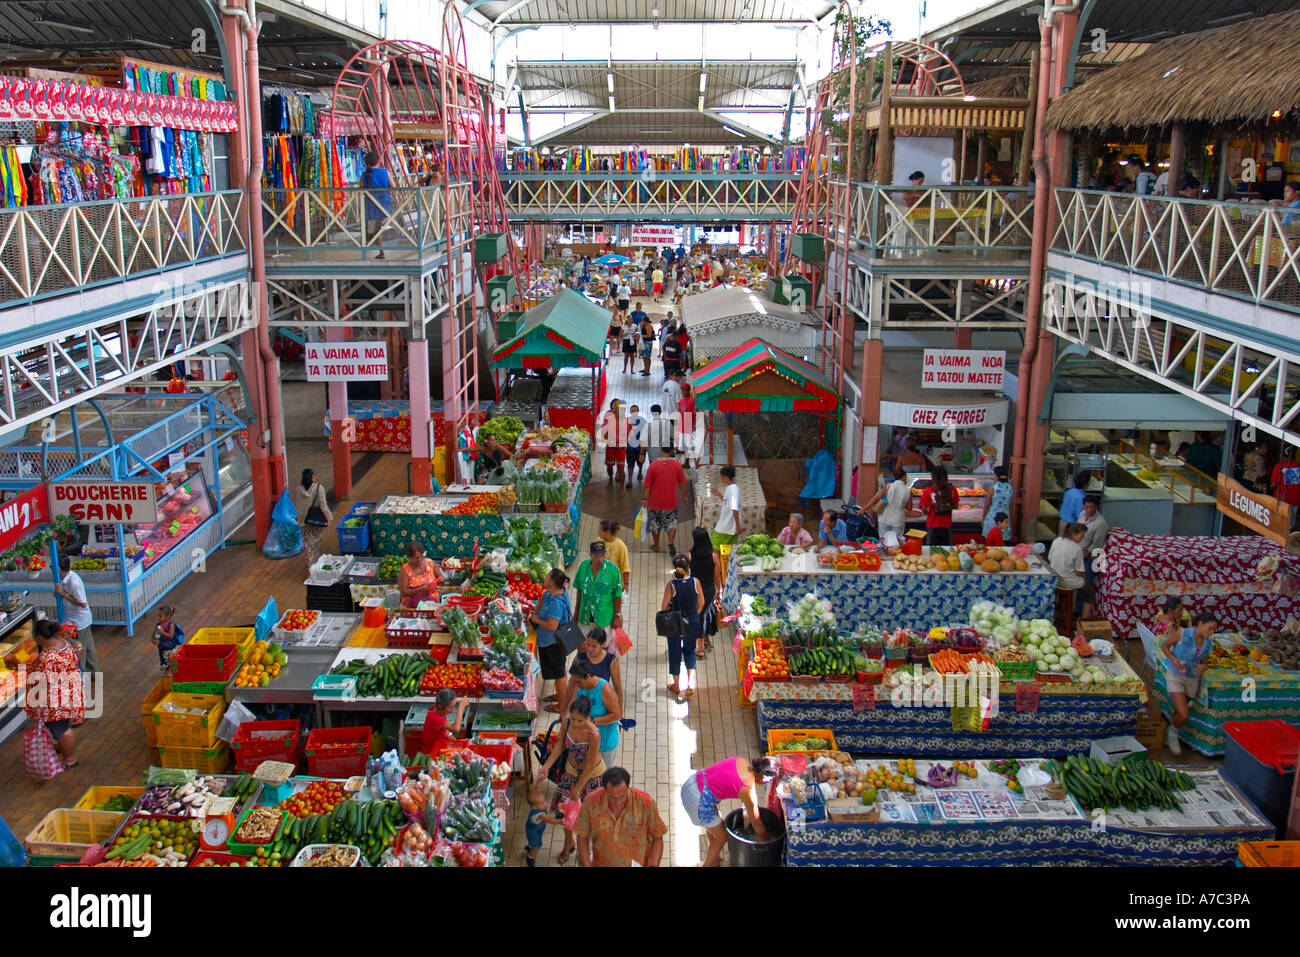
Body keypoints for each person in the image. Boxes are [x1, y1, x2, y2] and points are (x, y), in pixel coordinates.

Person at [536, 697, 605, 865]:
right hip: (570, 773)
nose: (575, 724)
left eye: (579, 720)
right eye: (573, 719)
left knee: (587, 818)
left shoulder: (594, 734)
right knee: (565, 812)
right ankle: (569, 843)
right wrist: (546, 766)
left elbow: (589, 765)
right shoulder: (567, 722)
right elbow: (560, 745)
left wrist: (578, 788)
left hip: (590, 778)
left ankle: (586, 850)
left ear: (588, 717)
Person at [681, 756, 778, 867]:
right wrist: (768, 842)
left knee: (716, 824)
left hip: (694, 781)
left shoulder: (742, 761)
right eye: (769, 780)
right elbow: (757, 824)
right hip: (698, 799)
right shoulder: (747, 790)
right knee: (722, 836)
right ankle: (707, 864)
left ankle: (715, 858)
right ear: (763, 776)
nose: (768, 782)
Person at [574, 767, 667, 867]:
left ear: (628, 788)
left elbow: (657, 837)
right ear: (604, 790)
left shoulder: (645, 803)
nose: (618, 802)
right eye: (613, 798)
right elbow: (582, 835)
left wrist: (652, 865)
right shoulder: (591, 802)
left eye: (622, 796)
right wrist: (586, 863)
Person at [23, 620, 85, 769]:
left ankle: (69, 759)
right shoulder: (64, 643)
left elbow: (43, 684)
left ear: (39, 638)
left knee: (62, 729)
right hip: (70, 691)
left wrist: (39, 705)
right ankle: (62, 746)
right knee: (63, 725)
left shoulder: (47, 657)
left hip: (56, 700)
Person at [1161, 612, 1220, 754]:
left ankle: (1170, 729)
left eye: (1214, 630)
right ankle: (1172, 733)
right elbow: (1165, 646)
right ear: (1200, 624)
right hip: (1175, 675)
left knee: (1181, 708)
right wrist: (1174, 660)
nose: (1211, 632)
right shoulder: (1182, 634)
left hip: (1192, 679)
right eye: (1209, 628)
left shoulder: (1207, 642)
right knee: (1184, 713)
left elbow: (1204, 661)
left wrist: (1202, 667)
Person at [662, 553, 705, 702]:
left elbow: (664, 607)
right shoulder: (695, 582)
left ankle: (676, 684)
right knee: (689, 650)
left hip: (675, 623)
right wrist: (694, 614)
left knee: (674, 651)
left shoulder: (671, 585)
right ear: (688, 568)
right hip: (692, 621)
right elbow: (701, 602)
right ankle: (690, 683)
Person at [530, 568, 574, 711]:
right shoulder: (550, 593)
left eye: (547, 576)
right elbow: (540, 604)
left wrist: (536, 619)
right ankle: (561, 694)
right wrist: (535, 613)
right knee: (559, 669)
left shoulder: (557, 602)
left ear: (553, 582)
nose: (545, 576)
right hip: (550, 641)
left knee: (559, 672)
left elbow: (551, 625)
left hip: (554, 643)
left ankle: (562, 705)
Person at [569, 659, 622, 767]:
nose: (577, 685)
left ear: (588, 676)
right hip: (585, 743)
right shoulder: (579, 688)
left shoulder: (605, 689)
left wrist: (593, 721)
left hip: (604, 743)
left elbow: (616, 715)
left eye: (579, 682)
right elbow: (571, 707)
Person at [573, 541, 624, 638]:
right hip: (585, 616)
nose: (599, 559)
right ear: (590, 555)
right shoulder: (583, 567)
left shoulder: (613, 570)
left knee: (603, 649)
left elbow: (617, 595)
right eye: (596, 556)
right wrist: (576, 612)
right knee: (583, 647)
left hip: (604, 618)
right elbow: (579, 590)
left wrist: (617, 616)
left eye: (602, 555)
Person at [55, 551, 95, 674]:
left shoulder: (73, 582)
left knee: (81, 648)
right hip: (74, 618)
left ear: (60, 569)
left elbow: (82, 603)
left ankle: (84, 673)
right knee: (87, 647)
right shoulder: (64, 580)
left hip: (80, 620)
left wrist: (64, 594)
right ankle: (92, 672)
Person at [643, 445, 688, 554]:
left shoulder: (653, 466)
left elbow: (647, 485)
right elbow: (682, 482)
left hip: (655, 502)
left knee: (655, 525)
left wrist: (644, 498)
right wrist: (684, 495)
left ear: (661, 450)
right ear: (672, 451)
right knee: (671, 523)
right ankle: (671, 541)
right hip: (671, 502)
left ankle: (656, 546)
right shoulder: (677, 465)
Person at [688, 526, 723, 653]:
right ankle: (707, 640)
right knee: (707, 614)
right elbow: (716, 577)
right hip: (708, 590)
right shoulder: (714, 557)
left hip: (695, 590)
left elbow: (685, 575)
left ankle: (700, 647)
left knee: (699, 616)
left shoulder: (689, 556)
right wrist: (719, 591)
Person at [863, 466, 912, 547]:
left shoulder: (888, 486)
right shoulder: (907, 491)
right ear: (904, 477)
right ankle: (895, 558)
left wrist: (863, 509)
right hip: (898, 520)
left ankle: (882, 557)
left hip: (884, 518)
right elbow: (909, 509)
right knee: (897, 543)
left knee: (883, 541)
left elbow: (875, 499)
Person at [1049, 522, 1088, 612]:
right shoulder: (1077, 549)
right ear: (1073, 534)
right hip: (1067, 582)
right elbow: (1080, 571)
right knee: (1090, 593)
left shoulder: (1057, 541)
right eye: (1081, 535)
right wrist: (1084, 579)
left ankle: (1062, 609)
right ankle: (1083, 618)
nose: (1083, 538)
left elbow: (1050, 558)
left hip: (1055, 578)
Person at [523, 781, 564, 866]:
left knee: (532, 841)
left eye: (545, 801)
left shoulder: (537, 807)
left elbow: (538, 789)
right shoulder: (540, 815)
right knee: (537, 845)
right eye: (542, 803)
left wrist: (539, 781)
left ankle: (530, 846)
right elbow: (550, 820)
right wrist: (560, 821)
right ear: (534, 807)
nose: (545, 804)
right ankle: (530, 856)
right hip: (534, 832)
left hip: (531, 828)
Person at [299, 468, 332, 569]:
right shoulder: (318, 488)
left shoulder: (298, 489)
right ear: (312, 477)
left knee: (308, 544)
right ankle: (313, 566)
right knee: (316, 543)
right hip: (316, 521)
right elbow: (323, 506)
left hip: (303, 521)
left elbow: (297, 505)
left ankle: (311, 564)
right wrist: (328, 519)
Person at [421, 687, 470, 753]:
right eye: (450, 707)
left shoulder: (438, 710)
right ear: (440, 706)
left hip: (440, 746)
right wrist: (461, 708)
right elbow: (456, 729)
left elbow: (444, 730)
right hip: (432, 751)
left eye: (454, 706)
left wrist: (457, 742)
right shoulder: (434, 717)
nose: (452, 710)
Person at [361, 151, 391, 259]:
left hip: (370, 205)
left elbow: (361, 190)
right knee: (384, 220)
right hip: (384, 202)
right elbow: (393, 186)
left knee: (374, 230)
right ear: (378, 161)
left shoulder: (364, 175)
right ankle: (384, 222)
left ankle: (381, 252)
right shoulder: (385, 172)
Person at [398, 540, 443, 608]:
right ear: (409, 558)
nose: (420, 560)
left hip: (432, 603)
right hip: (412, 606)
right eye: (416, 558)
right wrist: (420, 589)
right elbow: (404, 592)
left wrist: (440, 580)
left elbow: (440, 577)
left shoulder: (430, 563)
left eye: (421, 556)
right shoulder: (405, 570)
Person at [919, 466, 955, 547]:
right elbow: (955, 505)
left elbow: (924, 509)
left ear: (933, 477)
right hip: (946, 525)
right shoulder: (952, 489)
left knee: (931, 550)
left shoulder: (928, 490)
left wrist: (929, 512)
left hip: (932, 525)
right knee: (947, 550)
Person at [710, 465, 743, 547]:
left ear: (725, 477)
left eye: (721, 476)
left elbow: (734, 509)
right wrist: (718, 494)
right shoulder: (731, 488)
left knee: (714, 546)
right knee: (727, 549)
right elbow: (727, 502)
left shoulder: (732, 490)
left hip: (727, 526)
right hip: (728, 526)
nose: (720, 478)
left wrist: (738, 526)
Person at [599, 399, 627, 486]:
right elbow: (604, 432)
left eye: (618, 406)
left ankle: (621, 485)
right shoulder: (608, 417)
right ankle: (611, 478)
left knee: (621, 467)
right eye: (615, 405)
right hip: (611, 446)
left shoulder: (624, 419)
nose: (616, 408)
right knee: (609, 466)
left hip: (621, 448)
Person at [599, 520, 631, 594]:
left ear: (607, 533)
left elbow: (625, 568)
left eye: (600, 531)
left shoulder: (621, 546)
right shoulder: (598, 542)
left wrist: (626, 584)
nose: (598, 532)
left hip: (615, 585)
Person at [1080, 496, 1109, 574]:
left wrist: (1082, 558)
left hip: (1088, 558)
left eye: (1092, 507)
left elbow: (1096, 545)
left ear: (1097, 507)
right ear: (1083, 505)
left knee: (1084, 580)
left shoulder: (1101, 524)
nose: (1089, 510)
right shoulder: (1082, 514)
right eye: (1087, 507)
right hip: (1078, 552)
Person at [150, 604, 183, 673]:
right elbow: (156, 635)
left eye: (160, 616)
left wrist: (162, 632)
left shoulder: (171, 625)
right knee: (164, 663)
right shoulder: (159, 625)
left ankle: (175, 674)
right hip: (162, 648)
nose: (158, 618)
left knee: (173, 662)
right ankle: (167, 674)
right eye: (158, 616)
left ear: (167, 617)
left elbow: (170, 635)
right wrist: (154, 639)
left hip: (170, 648)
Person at [983, 467, 1014, 539]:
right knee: (1002, 542)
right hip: (1005, 520)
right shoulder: (1010, 488)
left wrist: (983, 518)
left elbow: (987, 505)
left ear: (996, 476)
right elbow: (1010, 503)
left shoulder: (992, 488)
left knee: (992, 541)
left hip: (993, 519)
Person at [1271, 446, 1300, 514]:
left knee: (1276, 520)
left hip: (1280, 499)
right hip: (1295, 500)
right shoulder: (1299, 466)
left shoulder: (1279, 466)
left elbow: (1273, 484)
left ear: (1281, 454)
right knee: (1289, 523)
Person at [677, 382, 699, 467]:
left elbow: (695, 414)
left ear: (688, 391)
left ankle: (688, 463)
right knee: (684, 446)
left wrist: (693, 426)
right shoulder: (682, 400)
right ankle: (686, 461)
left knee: (688, 446)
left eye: (685, 390)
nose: (683, 392)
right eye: (682, 390)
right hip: (682, 426)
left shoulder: (692, 401)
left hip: (688, 427)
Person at [624, 404, 647, 484]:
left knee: (640, 462)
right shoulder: (626, 421)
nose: (634, 412)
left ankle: (640, 472)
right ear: (630, 412)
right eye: (632, 411)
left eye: (635, 411)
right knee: (630, 464)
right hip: (630, 447)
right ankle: (630, 480)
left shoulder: (643, 421)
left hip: (640, 447)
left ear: (638, 411)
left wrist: (643, 449)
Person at [638, 312, 657, 376]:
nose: (641, 322)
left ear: (645, 321)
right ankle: (645, 368)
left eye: (642, 321)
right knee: (644, 356)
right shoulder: (644, 325)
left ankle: (647, 370)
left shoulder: (648, 326)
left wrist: (641, 336)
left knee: (647, 357)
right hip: (644, 342)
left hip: (647, 343)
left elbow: (649, 335)